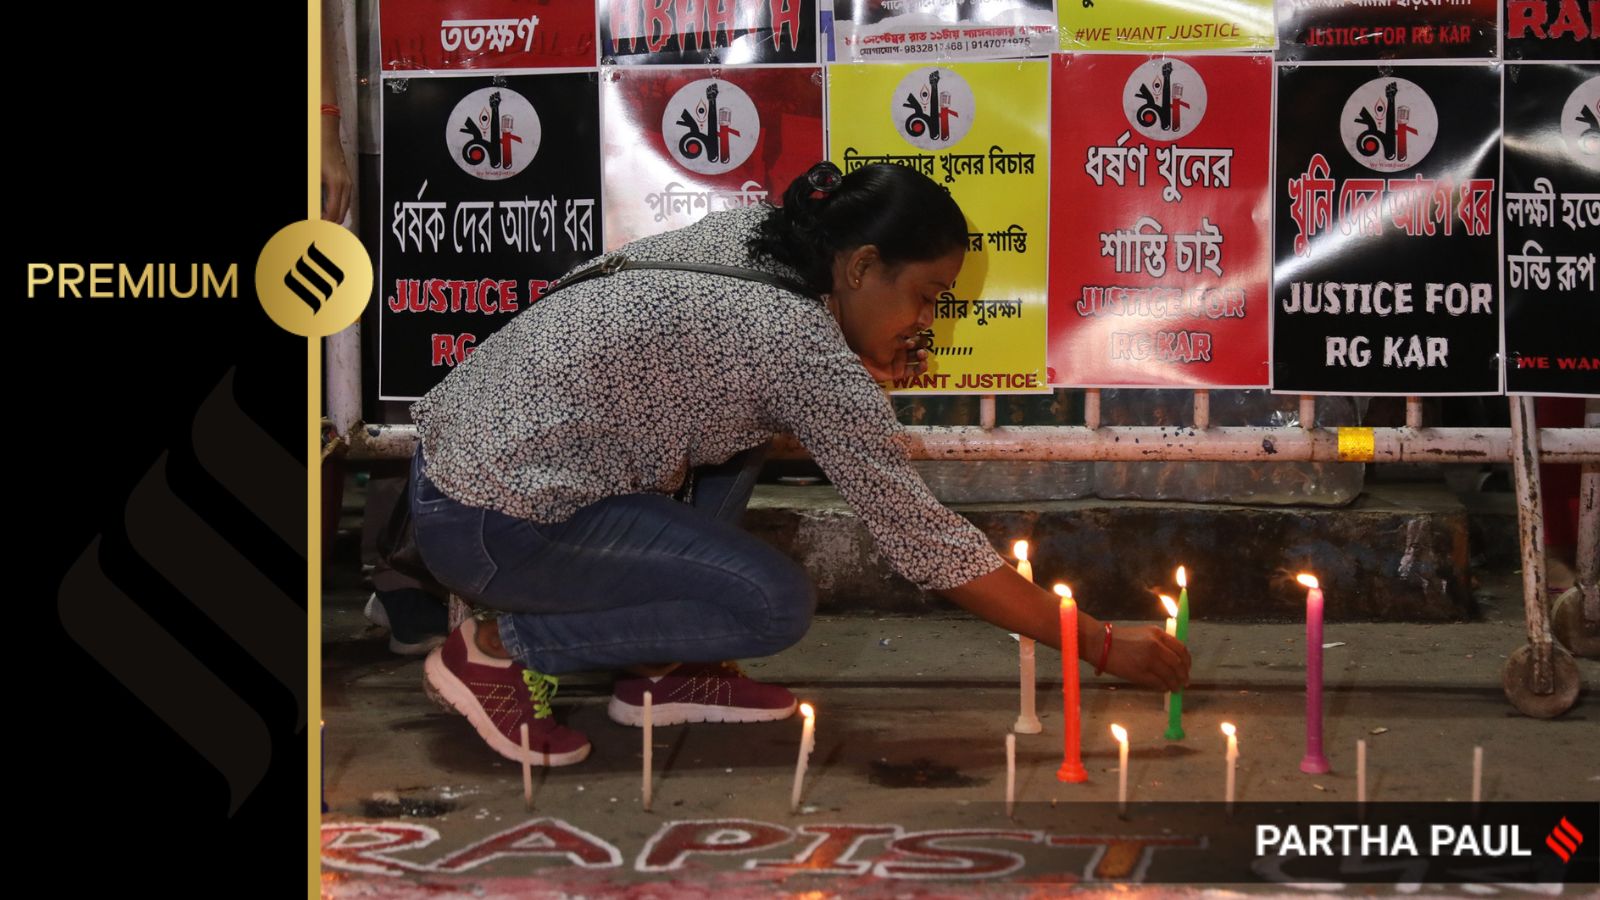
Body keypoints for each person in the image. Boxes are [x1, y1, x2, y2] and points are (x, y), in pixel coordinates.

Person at [408, 161, 1191, 767]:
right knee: (771, 606)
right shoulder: (803, 351)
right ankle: (501, 651)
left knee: (744, 433)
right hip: (495, 524)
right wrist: (1097, 643)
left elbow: (740, 374)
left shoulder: (765, 238)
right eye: (925, 296)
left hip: (465, 472)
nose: (926, 321)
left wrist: (861, 368)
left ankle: (661, 668)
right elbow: (928, 544)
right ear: (861, 266)